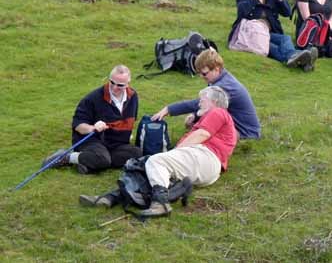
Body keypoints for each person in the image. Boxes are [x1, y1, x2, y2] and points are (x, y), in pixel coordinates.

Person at [80, 86, 237, 217]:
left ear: (214, 102)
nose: (199, 103)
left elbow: (202, 134)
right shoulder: (212, 116)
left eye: (203, 99)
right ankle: (111, 198)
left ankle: (161, 203)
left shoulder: (218, 112)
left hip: (205, 157)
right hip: (204, 165)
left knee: (155, 161)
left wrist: (173, 152)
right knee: (148, 169)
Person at [41, 65, 142, 174]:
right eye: (112, 82)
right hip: (92, 141)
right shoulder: (92, 98)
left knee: (137, 153)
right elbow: (78, 126)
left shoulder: (133, 96)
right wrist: (93, 127)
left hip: (115, 142)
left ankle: (89, 163)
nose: (114, 88)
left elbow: (131, 120)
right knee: (103, 159)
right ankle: (67, 157)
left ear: (128, 83)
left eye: (120, 85)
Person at [152, 49, 261, 139]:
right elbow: (207, 105)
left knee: (201, 136)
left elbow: (198, 103)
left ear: (216, 69)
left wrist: (169, 109)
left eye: (204, 73)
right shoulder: (219, 78)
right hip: (234, 124)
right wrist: (195, 116)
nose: (201, 77)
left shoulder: (224, 86)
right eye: (199, 73)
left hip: (245, 132)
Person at [231, 0, 318, 72]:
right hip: (251, 34)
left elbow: (287, 12)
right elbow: (242, 12)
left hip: (268, 33)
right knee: (273, 48)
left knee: (285, 38)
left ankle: (298, 58)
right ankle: (303, 60)